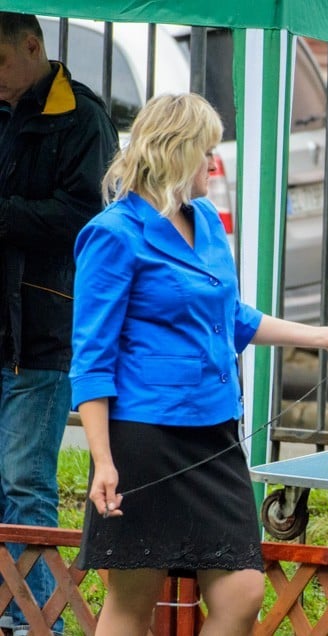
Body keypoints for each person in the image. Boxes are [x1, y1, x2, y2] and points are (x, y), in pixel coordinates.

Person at [68, 93, 328, 636]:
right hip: (144, 437)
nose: (214, 164)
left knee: (241, 590)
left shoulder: (206, 219)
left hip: (213, 433)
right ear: (173, 154)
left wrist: (325, 336)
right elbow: (92, 358)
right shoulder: (113, 235)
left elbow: (231, 316)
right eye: (205, 153)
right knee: (134, 597)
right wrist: (104, 461)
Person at [0, 12, 118, 635]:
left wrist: (5, 214)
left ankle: (36, 622)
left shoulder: (83, 118)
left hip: (41, 330)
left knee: (24, 485)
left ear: (32, 45)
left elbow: (87, 220)